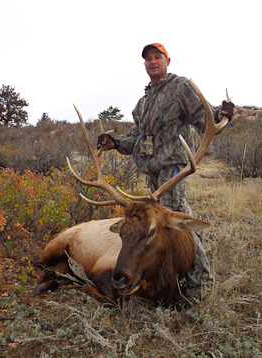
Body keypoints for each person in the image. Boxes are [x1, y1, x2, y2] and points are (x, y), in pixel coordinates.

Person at [97, 43, 235, 301]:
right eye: (148, 58)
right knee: (158, 232)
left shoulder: (180, 87)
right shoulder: (143, 103)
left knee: (178, 225)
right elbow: (138, 137)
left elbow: (202, 118)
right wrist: (115, 143)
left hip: (173, 168)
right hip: (151, 173)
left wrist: (220, 114)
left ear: (167, 60)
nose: (152, 62)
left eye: (157, 57)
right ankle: (166, 279)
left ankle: (200, 285)